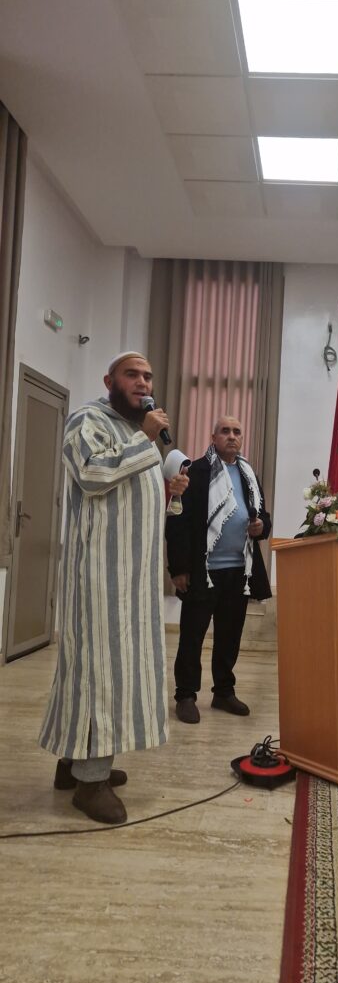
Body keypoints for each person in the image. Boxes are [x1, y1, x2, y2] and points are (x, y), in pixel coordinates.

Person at [39, 352, 188, 825]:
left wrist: (169, 491)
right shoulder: (88, 420)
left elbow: (131, 497)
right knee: (99, 675)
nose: (143, 383)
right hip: (100, 576)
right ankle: (91, 783)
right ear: (110, 380)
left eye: (148, 376)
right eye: (132, 375)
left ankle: (72, 764)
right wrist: (146, 438)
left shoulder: (134, 430)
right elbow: (92, 475)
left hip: (133, 577)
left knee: (105, 672)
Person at [166, 415, 272, 724]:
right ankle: (186, 695)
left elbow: (263, 516)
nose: (231, 436)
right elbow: (177, 521)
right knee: (192, 636)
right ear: (213, 438)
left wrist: (261, 526)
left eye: (237, 431)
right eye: (225, 431)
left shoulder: (248, 474)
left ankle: (223, 692)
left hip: (239, 571)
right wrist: (179, 569)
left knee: (229, 636)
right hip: (203, 570)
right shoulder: (195, 472)